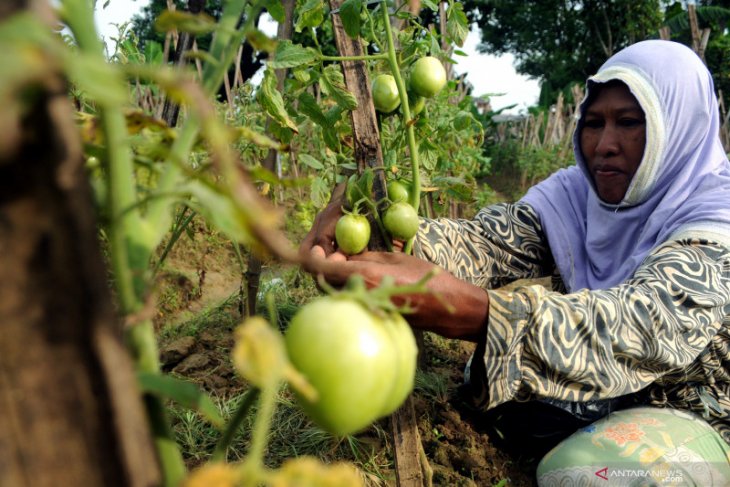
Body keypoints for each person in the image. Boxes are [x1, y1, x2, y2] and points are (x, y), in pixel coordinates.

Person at [300, 40, 730, 485]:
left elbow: (642, 326)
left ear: (678, 128)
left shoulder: (716, 222)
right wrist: (377, 236)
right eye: (594, 122)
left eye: (628, 123)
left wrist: (481, 314)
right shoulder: (578, 197)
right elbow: (488, 243)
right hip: (601, 396)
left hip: (692, 414)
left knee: (591, 475)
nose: (605, 145)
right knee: (486, 387)